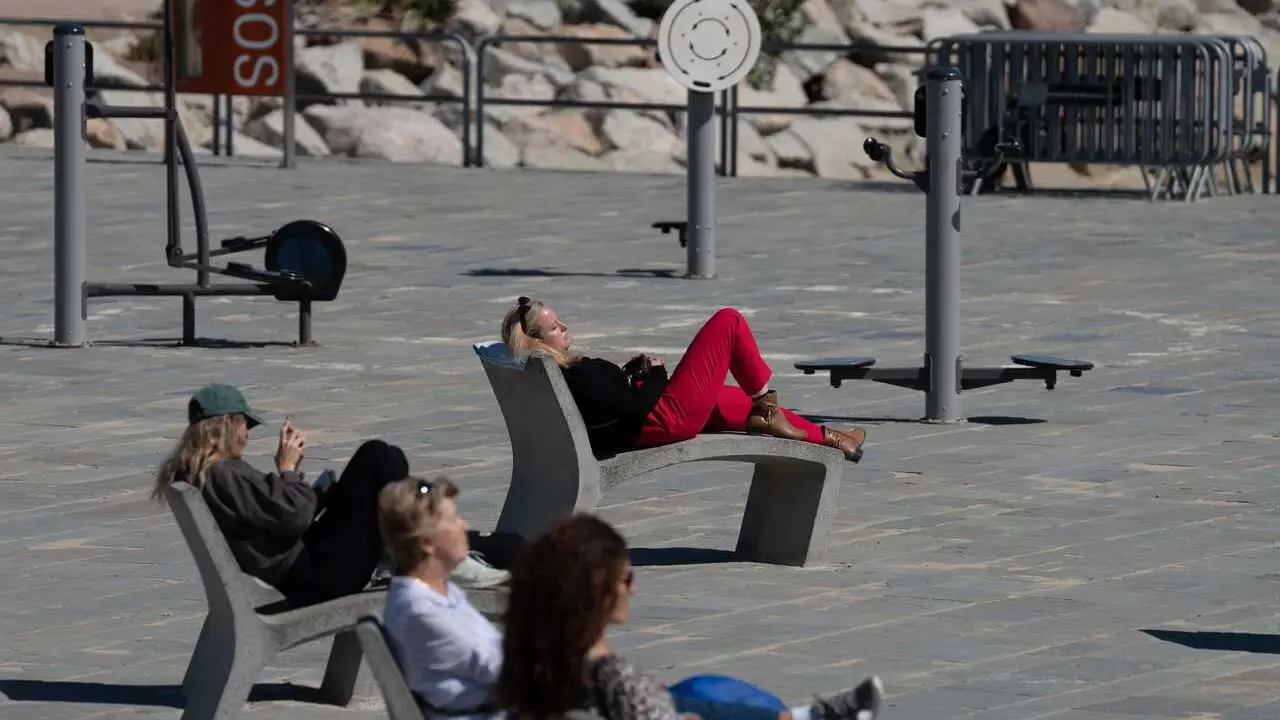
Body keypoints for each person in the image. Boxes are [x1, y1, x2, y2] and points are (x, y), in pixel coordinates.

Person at [498, 513, 884, 720]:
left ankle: (803, 717)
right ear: (598, 593)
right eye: (626, 578)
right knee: (700, 695)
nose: (632, 589)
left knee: (695, 693)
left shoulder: (524, 665)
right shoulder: (612, 678)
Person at [151, 383, 508, 606]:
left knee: (382, 459)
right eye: (245, 425)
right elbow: (295, 516)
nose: (246, 434)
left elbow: (280, 514)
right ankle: (425, 554)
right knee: (378, 456)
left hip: (307, 562)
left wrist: (319, 493)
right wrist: (288, 468)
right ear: (228, 424)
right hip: (315, 574)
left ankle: (409, 547)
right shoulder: (225, 473)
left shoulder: (208, 474)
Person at [499, 298, 866, 463]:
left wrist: (634, 375)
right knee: (728, 321)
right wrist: (656, 372)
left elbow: (616, 405)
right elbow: (634, 408)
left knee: (737, 402)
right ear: (537, 339)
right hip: (663, 419)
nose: (564, 328)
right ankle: (766, 404)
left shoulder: (559, 371)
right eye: (554, 327)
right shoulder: (575, 375)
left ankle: (834, 439)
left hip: (654, 416)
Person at [378, 475, 505, 720]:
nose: (464, 525)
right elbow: (502, 668)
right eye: (453, 519)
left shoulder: (440, 592)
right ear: (427, 543)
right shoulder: (420, 612)